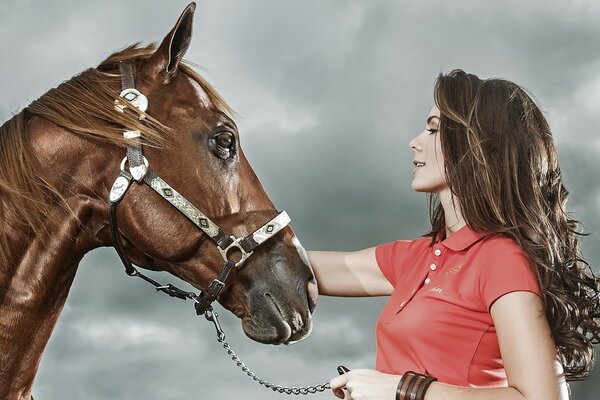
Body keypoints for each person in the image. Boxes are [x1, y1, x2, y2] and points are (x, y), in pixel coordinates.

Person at [309, 69, 600, 400]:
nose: (414, 141)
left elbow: (542, 398)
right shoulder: (414, 257)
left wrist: (406, 389)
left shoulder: (500, 258)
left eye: (433, 129)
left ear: (478, 144)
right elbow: (293, 266)